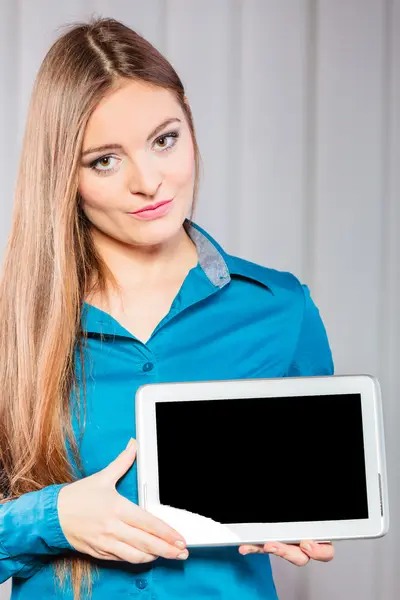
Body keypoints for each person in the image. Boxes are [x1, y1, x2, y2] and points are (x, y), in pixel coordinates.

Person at [0, 16, 335, 600]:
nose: (149, 181)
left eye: (164, 139)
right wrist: (52, 519)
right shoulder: (12, 329)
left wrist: (303, 518)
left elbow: (314, 492)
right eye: (105, 160)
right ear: (64, 176)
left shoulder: (282, 312)